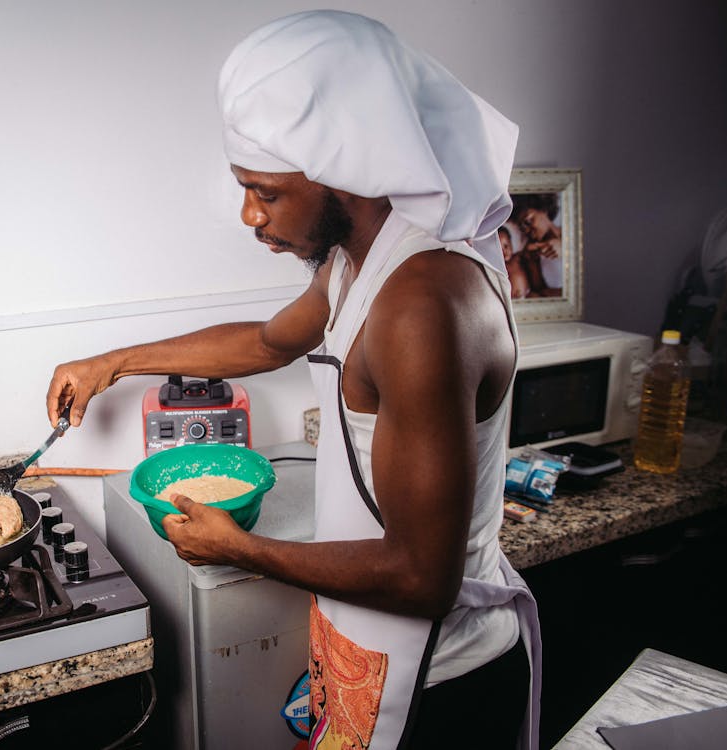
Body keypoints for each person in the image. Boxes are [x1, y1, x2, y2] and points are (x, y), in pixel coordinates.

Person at [46, 11, 540, 750]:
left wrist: (234, 548)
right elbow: (265, 342)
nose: (249, 214)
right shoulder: (363, 261)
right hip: (372, 650)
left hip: (444, 683)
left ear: (348, 169)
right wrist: (109, 363)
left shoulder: (422, 303)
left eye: (265, 191)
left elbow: (418, 577)